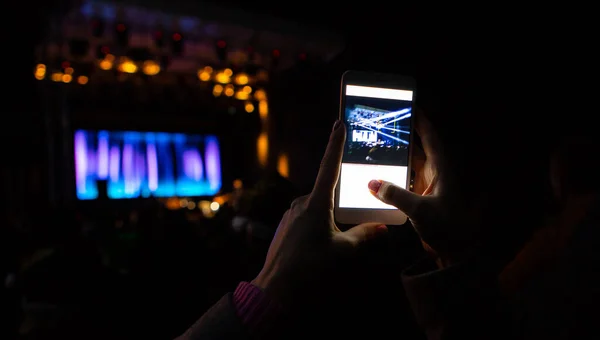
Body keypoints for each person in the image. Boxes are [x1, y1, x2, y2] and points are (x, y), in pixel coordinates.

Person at [177, 110, 599, 339]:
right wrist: (449, 255)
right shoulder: (564, 270)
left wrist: (270, 286)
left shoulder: (562, 272)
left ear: (560, 184)